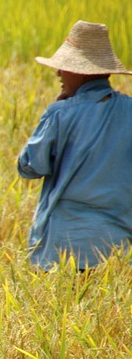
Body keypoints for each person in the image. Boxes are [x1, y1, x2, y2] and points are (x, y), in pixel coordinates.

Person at [17, 20, 132, 270]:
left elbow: (29, 167)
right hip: (119, 249)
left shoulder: (61, 114)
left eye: (63, 68)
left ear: (80, 71)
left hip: (64, 248)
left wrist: (55, 112)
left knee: (61, 308)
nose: (58, 73)